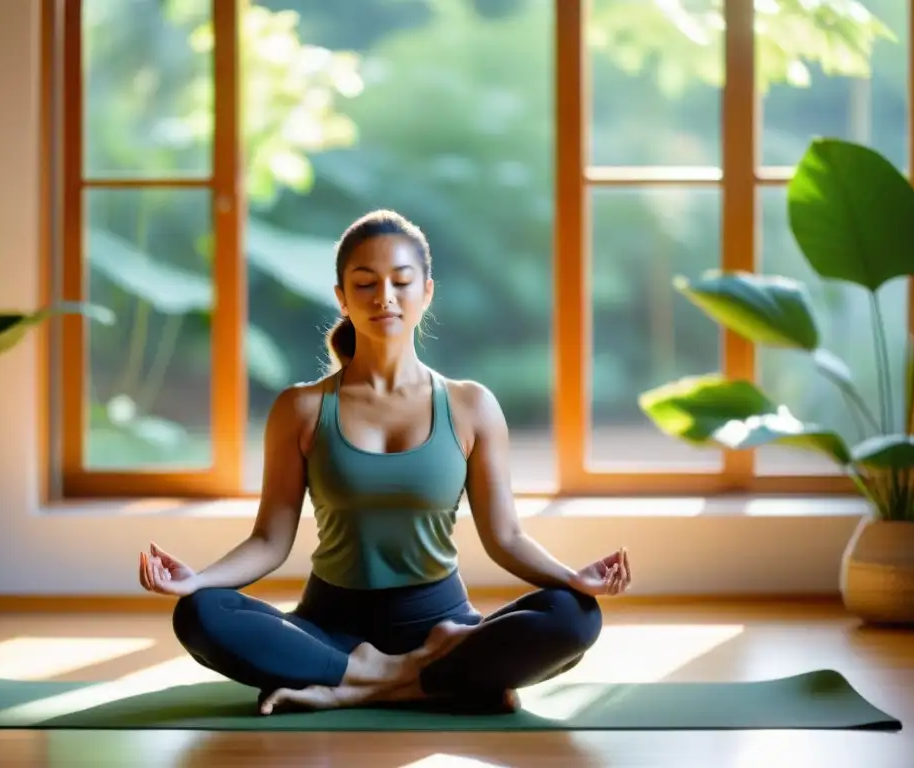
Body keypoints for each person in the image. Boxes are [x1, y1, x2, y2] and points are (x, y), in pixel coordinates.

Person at [137, 209, 632, 715]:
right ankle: (423, 681)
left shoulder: (470, 406)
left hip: (443, 629)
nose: (385, 297)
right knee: (200, 614)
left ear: (427, 292)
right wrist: (196, 581)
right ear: (342, 298)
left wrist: (573, 579)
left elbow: (505, 538)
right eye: (365, 283)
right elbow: (270, 541)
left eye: (401, 281)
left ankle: (355, 685)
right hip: (329, 629)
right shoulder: (301, 408)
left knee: (574, 617)